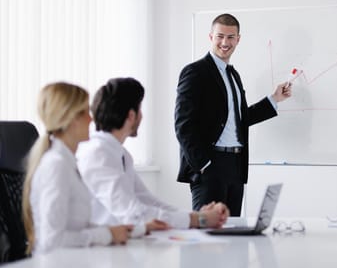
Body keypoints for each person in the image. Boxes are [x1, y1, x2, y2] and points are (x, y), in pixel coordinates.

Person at [175, 13, 292, 216]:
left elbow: (239, 119)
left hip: (235, 167)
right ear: (211, 37)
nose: (225, 42)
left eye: (230, 37)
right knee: (208, 237)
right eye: (220, 36)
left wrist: (274, 99)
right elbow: (183, 125)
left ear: (238, 39)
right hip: (210, 166)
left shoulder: (233, 75)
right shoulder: (195, 72)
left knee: (233, 235)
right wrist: (203, 165)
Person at [77, 78, 229, 234]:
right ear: (131, 115)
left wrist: (197, 216)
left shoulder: (120, 154)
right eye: (140, 110)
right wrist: (199, 220)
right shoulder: (98, 154)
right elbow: (133, 214)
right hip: (99, 249)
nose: (142, 116)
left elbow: (149, 201)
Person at [22, 82, 132, 254]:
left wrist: (116, 231)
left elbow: (76, 227)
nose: (91, 119)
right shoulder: (56, 166)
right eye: (85, 113)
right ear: (70, 119)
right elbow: (52, 241)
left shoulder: (67, 162)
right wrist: (106, 234)